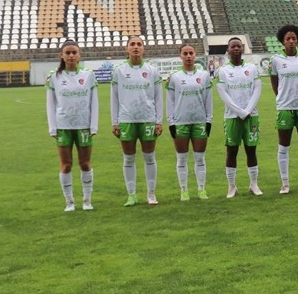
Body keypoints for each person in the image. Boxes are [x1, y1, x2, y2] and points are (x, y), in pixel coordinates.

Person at [111, 35, 163, 206]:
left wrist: (159, 120)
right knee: (128, 158)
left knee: (149, 157)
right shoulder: (119, 70)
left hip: (148, 118)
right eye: (132, 44)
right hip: (126, 119)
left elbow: (158, 97)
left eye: (139, 44)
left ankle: (151, 194)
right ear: (127, 48)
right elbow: (114, 98)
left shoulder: (152, 70)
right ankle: (131, 195)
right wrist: (115, 121)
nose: (135, 47)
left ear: (143, 48)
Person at [46, 39, 98, 211]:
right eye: (67, 53)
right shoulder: (54, 76)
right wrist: (52, 127)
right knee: (66, 164)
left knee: (85, 163)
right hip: (63, 126)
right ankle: (69, 201)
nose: (71, 56)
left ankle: (87, 200)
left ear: (79, 55)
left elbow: (94, 102)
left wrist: (93, 125)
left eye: (74, 52)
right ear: (61, 55)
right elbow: (50, 103)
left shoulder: (88, 75)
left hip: (83, 125)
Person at [269, 24, 298, 193]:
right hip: (284, 107)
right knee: (284, 146)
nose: (291, 41)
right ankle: (285, 183)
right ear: (282, 41)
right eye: (288, 39)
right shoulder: (276, 60)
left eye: (294, 39)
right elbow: (275, 84)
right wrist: (283, 98)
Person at [214, 36, 263, 198]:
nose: (236, 49)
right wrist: (240, 112)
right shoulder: (223, 71)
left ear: (243, 49)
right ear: (227, 50)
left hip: (252, 115)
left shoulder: (252, 68)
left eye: (238, 46)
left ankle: (254, 184)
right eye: (232, 47)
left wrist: (248, 110)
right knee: (232, 151)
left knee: (251, 150)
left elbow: (257, 90)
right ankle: (232, 186)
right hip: (232, 117)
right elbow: (224, 95)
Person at [165, 43, 213, 201]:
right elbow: (170, 101)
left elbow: (208, 100)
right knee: (182, 158)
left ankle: (201, 190)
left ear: (195, 55)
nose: (188, 56)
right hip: (180, 122)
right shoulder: (174, 77)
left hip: (199, 122)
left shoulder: (204, 76)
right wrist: (170, 122)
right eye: (185, 53)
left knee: (200, 158)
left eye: (191, 53)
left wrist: (209, 120)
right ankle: (184, 190)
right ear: (180, 56)